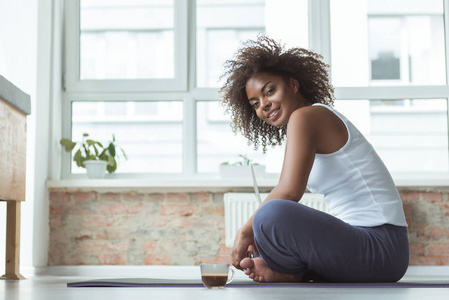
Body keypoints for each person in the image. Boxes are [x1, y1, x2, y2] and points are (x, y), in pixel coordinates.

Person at [219, 36, 409, 283]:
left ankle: (291, 272)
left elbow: (288, 192)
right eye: (255, 103)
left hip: (381, 246)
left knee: (270, 215)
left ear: (294, 85)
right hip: (371, 248)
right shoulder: (311, 119)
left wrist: (246, 230)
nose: (264, 105)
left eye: (270, 91)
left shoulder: (307, 117)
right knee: (269, 222)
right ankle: (294, 272)